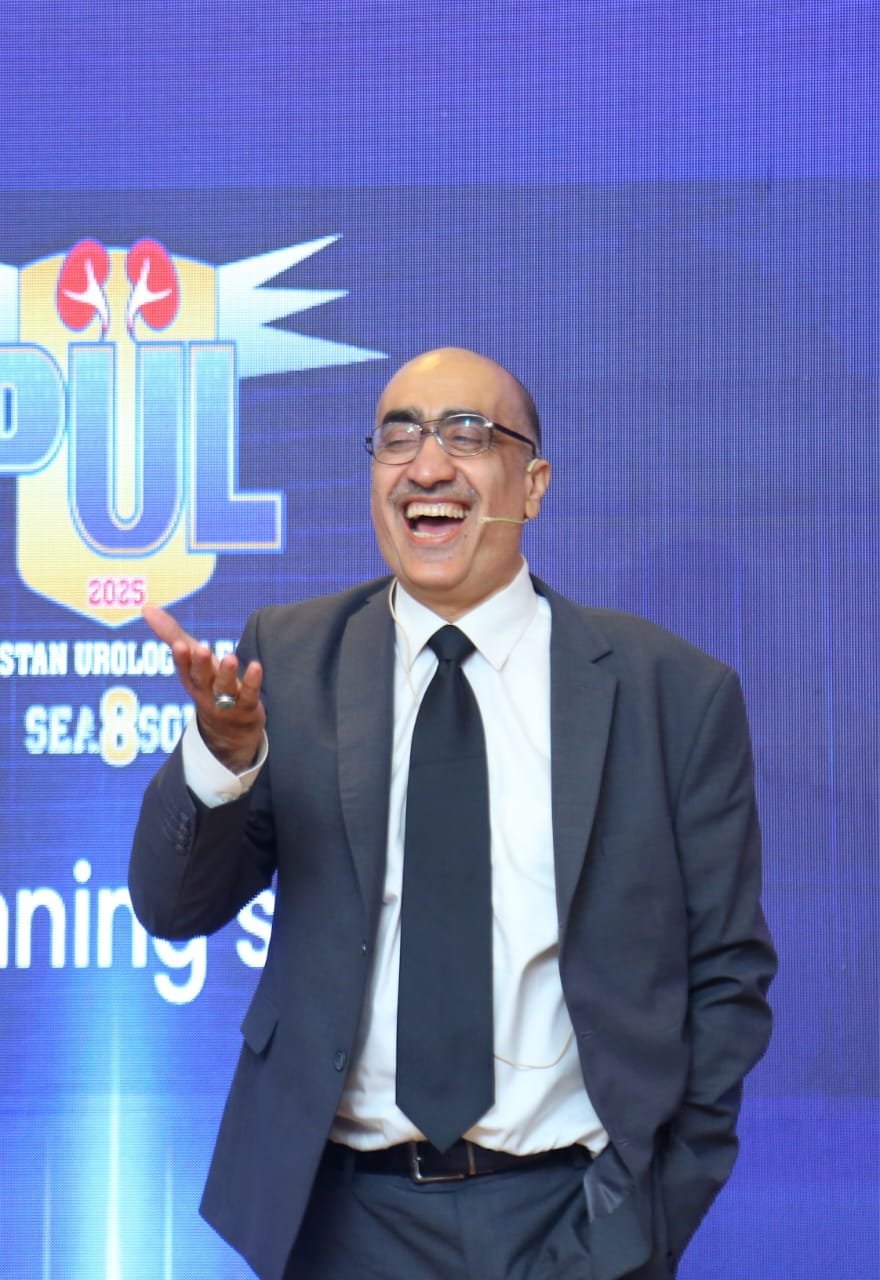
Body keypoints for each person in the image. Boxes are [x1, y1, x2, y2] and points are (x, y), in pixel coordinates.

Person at [129, 347, 776, 1280]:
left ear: (534, 484)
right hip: (342, 1222)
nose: (427, 465)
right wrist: (221, 757)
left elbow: (727, 978)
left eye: (466, 435)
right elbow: (172, 907)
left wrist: (647, 1216)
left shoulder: (671, 693)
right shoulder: (292, 662)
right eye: (398, 437)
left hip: (577, 1212)